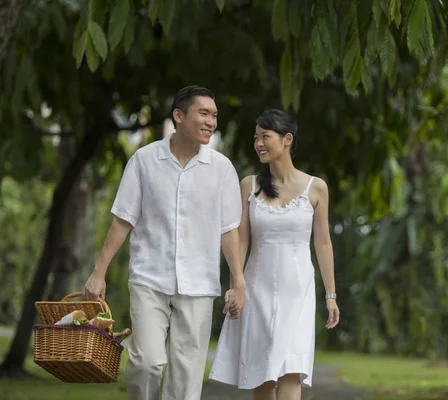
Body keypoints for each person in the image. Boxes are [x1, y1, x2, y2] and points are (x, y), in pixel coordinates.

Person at [83, 85, 247, 400]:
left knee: (185, 378)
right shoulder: (144, 160)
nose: (211, 121)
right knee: (146, 364)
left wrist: (237, 280)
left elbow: (229, 230)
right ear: (178, 116)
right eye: (204, 113)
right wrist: (98, 271)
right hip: (149, 279)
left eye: (214, 115)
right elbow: (123, 219)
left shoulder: (222, 169)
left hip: (199, 284)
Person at [209, 109, 340, 400]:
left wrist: (331, 295)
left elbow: (323, 244)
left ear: (287, 139)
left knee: (291, 367)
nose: (258, 143)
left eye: (265, 136)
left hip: (298, 291)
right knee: (263, 372)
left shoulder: (315, 188)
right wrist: (236, 285)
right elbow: (240, 242)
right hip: (257, 289)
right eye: (256, 138)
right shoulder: (249, 185)